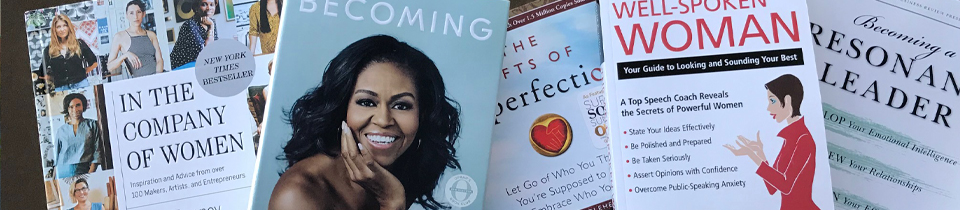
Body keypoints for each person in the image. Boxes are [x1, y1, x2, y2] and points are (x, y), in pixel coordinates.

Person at [269, 35, 461, 210]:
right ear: (342, 109)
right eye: (367, 102)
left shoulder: (406, 166)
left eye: (401, 106)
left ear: (422, 115)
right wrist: (392, 203)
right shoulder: (297, 196)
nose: (384, 120)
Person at [724, 74, 819, 210]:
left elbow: (785, 186)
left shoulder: (803, 139)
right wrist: (760, 153)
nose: (769, 108)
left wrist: (753, 156)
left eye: (772, 101)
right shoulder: (790, 138)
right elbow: (772, 188)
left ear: (787, 100)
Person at [106, 0, 164, 78]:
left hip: (159, 77)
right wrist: (125, 55)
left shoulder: (151, 35)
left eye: (138, 12)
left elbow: (159, 60)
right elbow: (109, 67)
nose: (135, 16)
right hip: (139, 82)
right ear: (126, 15)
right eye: (131, 13)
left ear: (143, 14)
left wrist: (158, 78)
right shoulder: (119, 37)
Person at [44, 14, 99, 92]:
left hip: (81, 84)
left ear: (69, 27)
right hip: (61, 88)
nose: (62, 29)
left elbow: (94, 63)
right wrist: (55, 78)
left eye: (65, 25)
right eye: (58, 27)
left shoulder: (79, 43)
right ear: (54, 29)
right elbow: (42, 73)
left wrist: (83, 73)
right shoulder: (48, 50)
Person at [55, 93, 102, 178]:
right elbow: (57, 156)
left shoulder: (92, 125)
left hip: (84, 169)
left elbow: (97, 151)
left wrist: (90, 174)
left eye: (78, 105)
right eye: (71, 107)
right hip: (63, 171)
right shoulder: (61, 130)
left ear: (83, 106)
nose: (75, 109)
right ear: (67, 109)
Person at [170, 0, 219, 69]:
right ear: (196, 7)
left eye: (212, 5)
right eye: (204, 5)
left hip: (198, 66)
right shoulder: (189, 25)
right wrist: (211, 27)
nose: (209, 8)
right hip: (181, 68)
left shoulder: (211, 23)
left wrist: (211, 26)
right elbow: (206, 52)